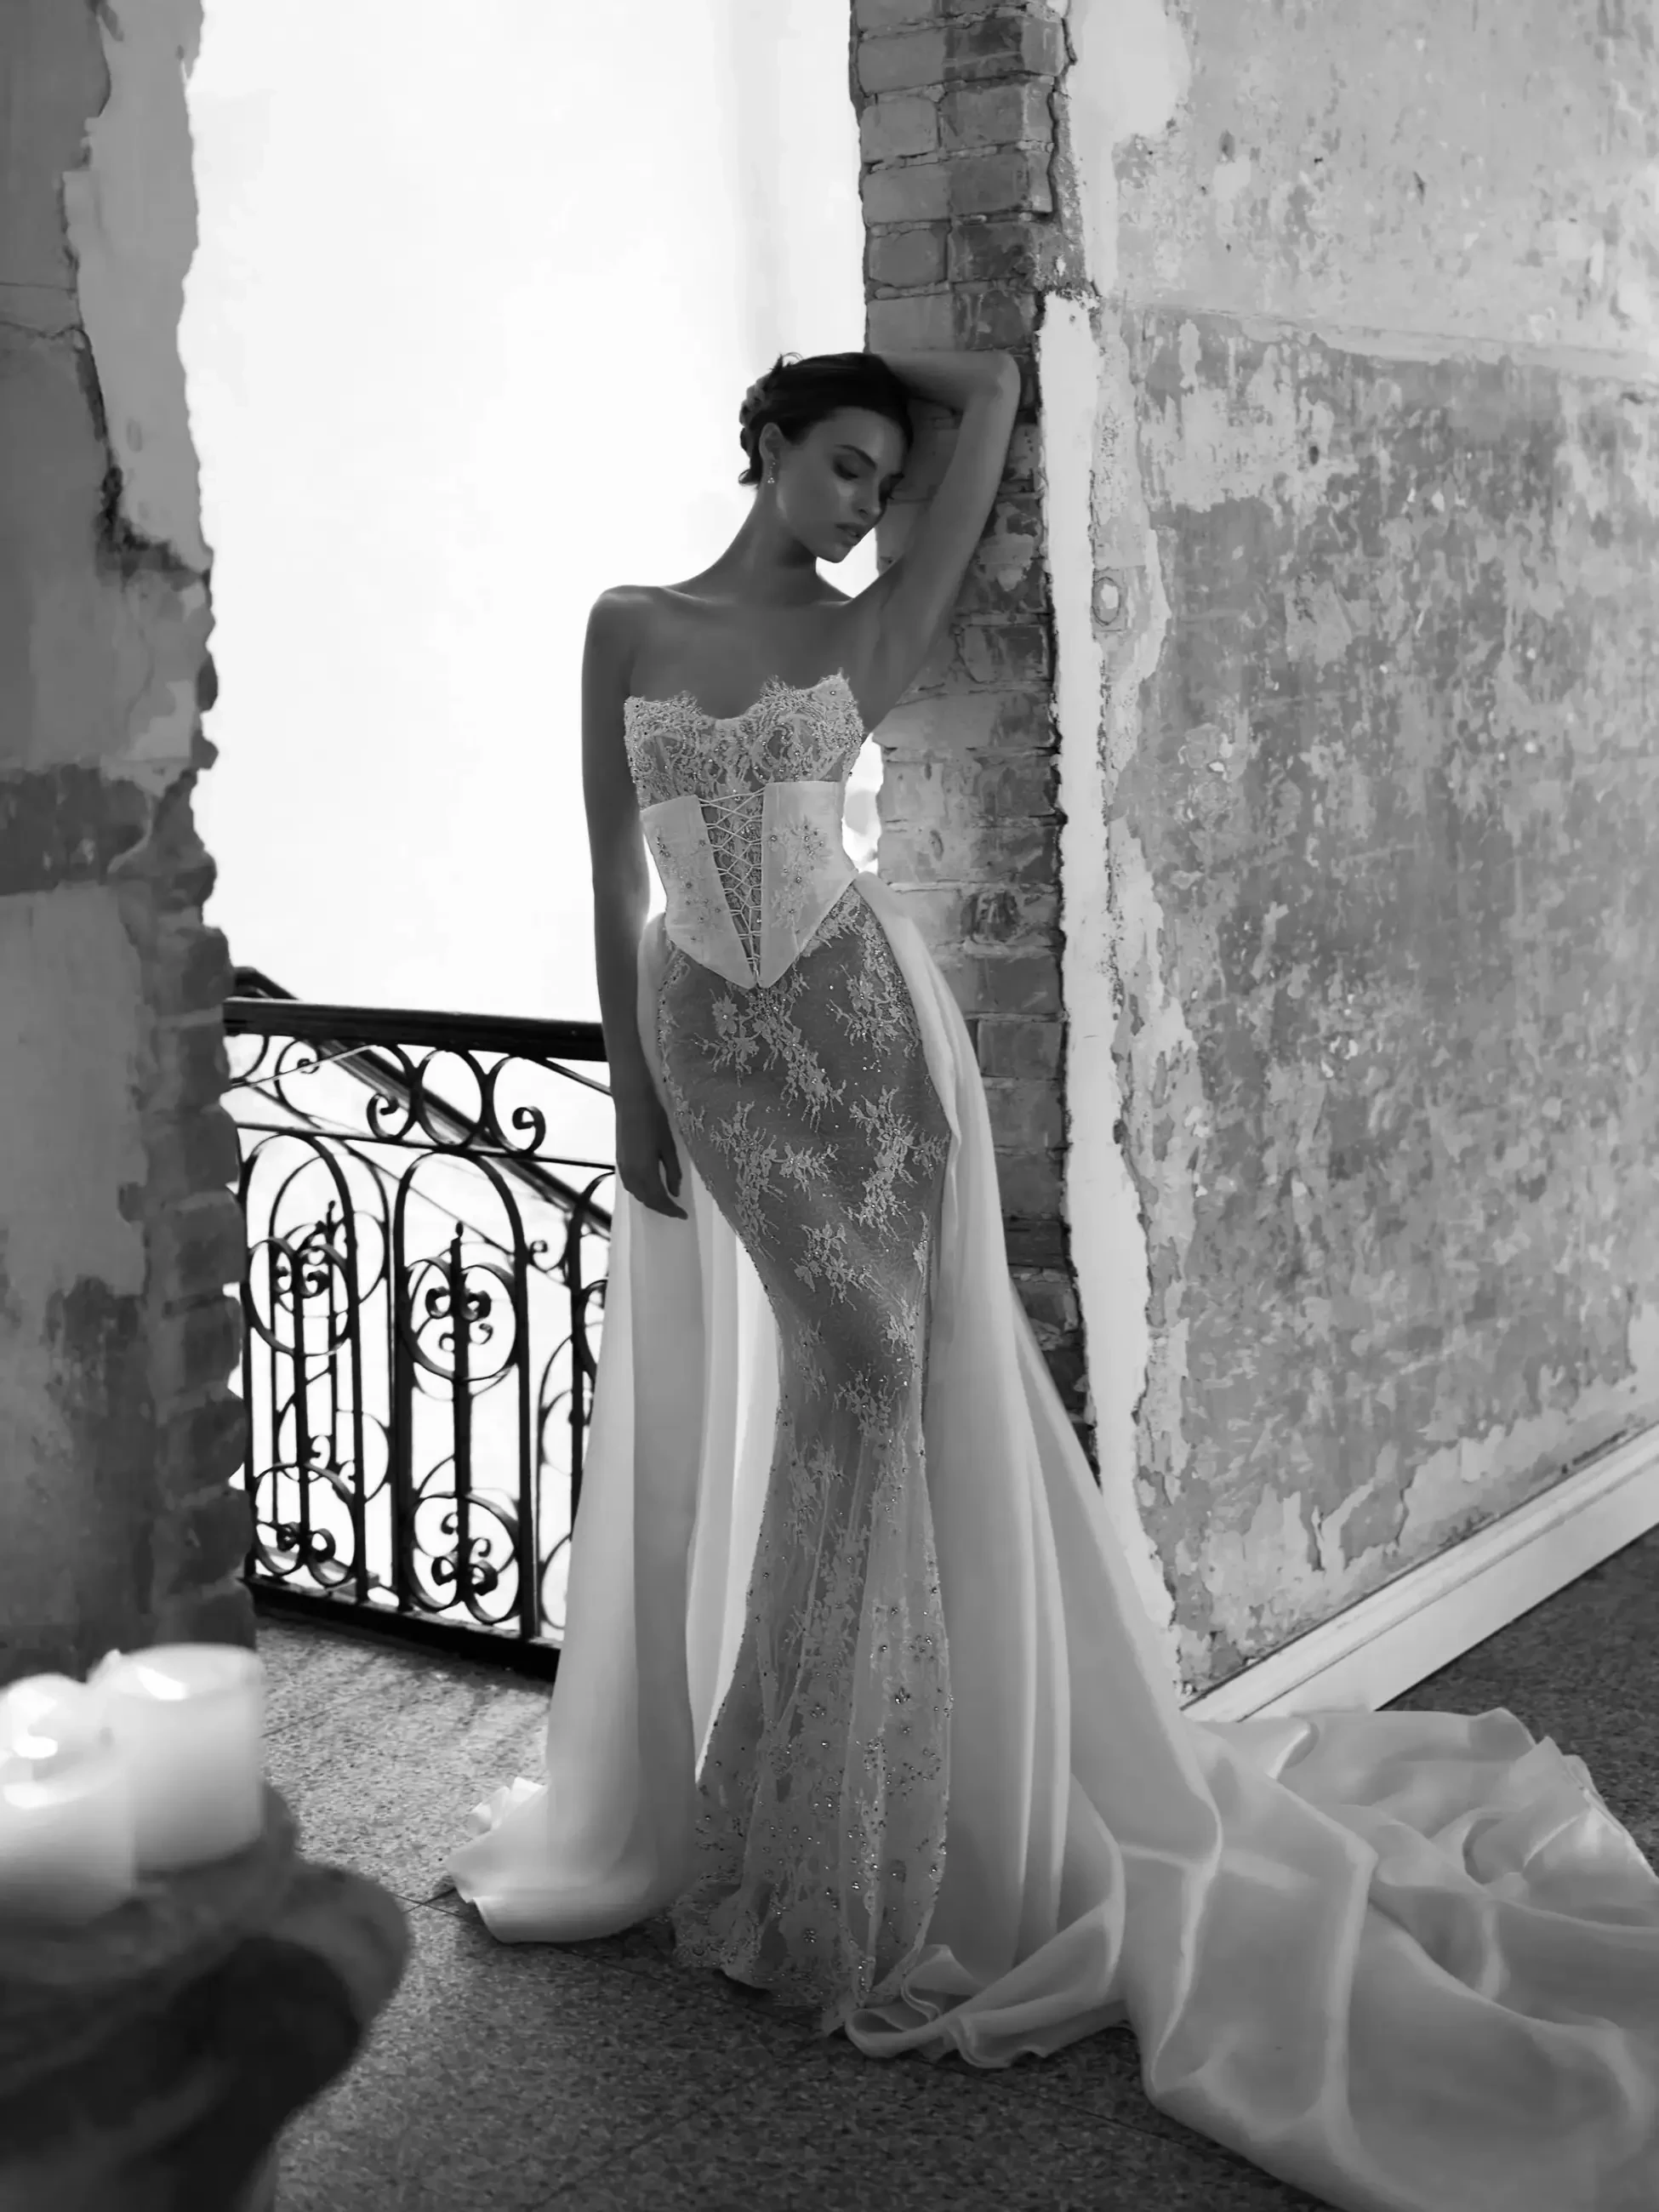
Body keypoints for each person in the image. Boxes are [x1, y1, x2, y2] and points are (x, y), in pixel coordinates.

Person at [448, 349, 1659, 2211]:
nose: (859, 505)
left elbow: (994, 404)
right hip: (718, 1050)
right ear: (761, 448)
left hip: (863, 1043)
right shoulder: (628, 624)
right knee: (843, 1396)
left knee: (877, 1388)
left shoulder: (869, 630)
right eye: (836, 465)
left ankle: (864, 1839)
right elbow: (610, 869)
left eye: (876, 479)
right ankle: (809, 1816)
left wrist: (925, 390)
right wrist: (634, 1089)